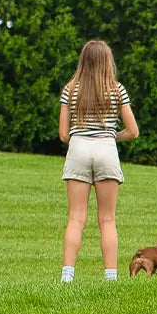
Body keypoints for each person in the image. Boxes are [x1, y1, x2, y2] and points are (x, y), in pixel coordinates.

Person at [58, 40, 139, 283]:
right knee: (107, 219)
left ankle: (67, 276)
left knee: (75, 217)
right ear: (107, 62)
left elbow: (63, 134)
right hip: (106, 150)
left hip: (78, 149)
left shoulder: (70, 90)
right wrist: (112, 135)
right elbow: (133, 131)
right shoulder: (116, 90)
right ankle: (111, 277)